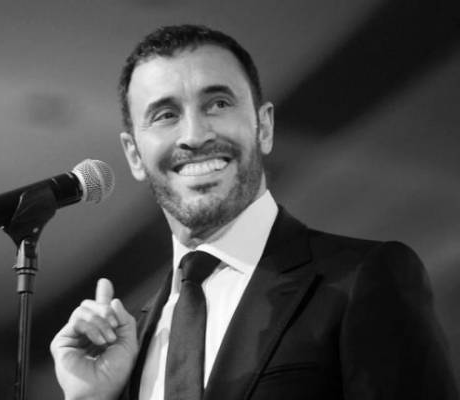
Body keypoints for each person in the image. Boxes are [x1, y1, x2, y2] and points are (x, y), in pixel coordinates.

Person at [50, 25, 457, 400]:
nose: (194, 135)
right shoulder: (129, 342)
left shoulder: (364, 276)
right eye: (166, 115)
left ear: (264, 127)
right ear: (134, 155)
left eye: (218, 103)